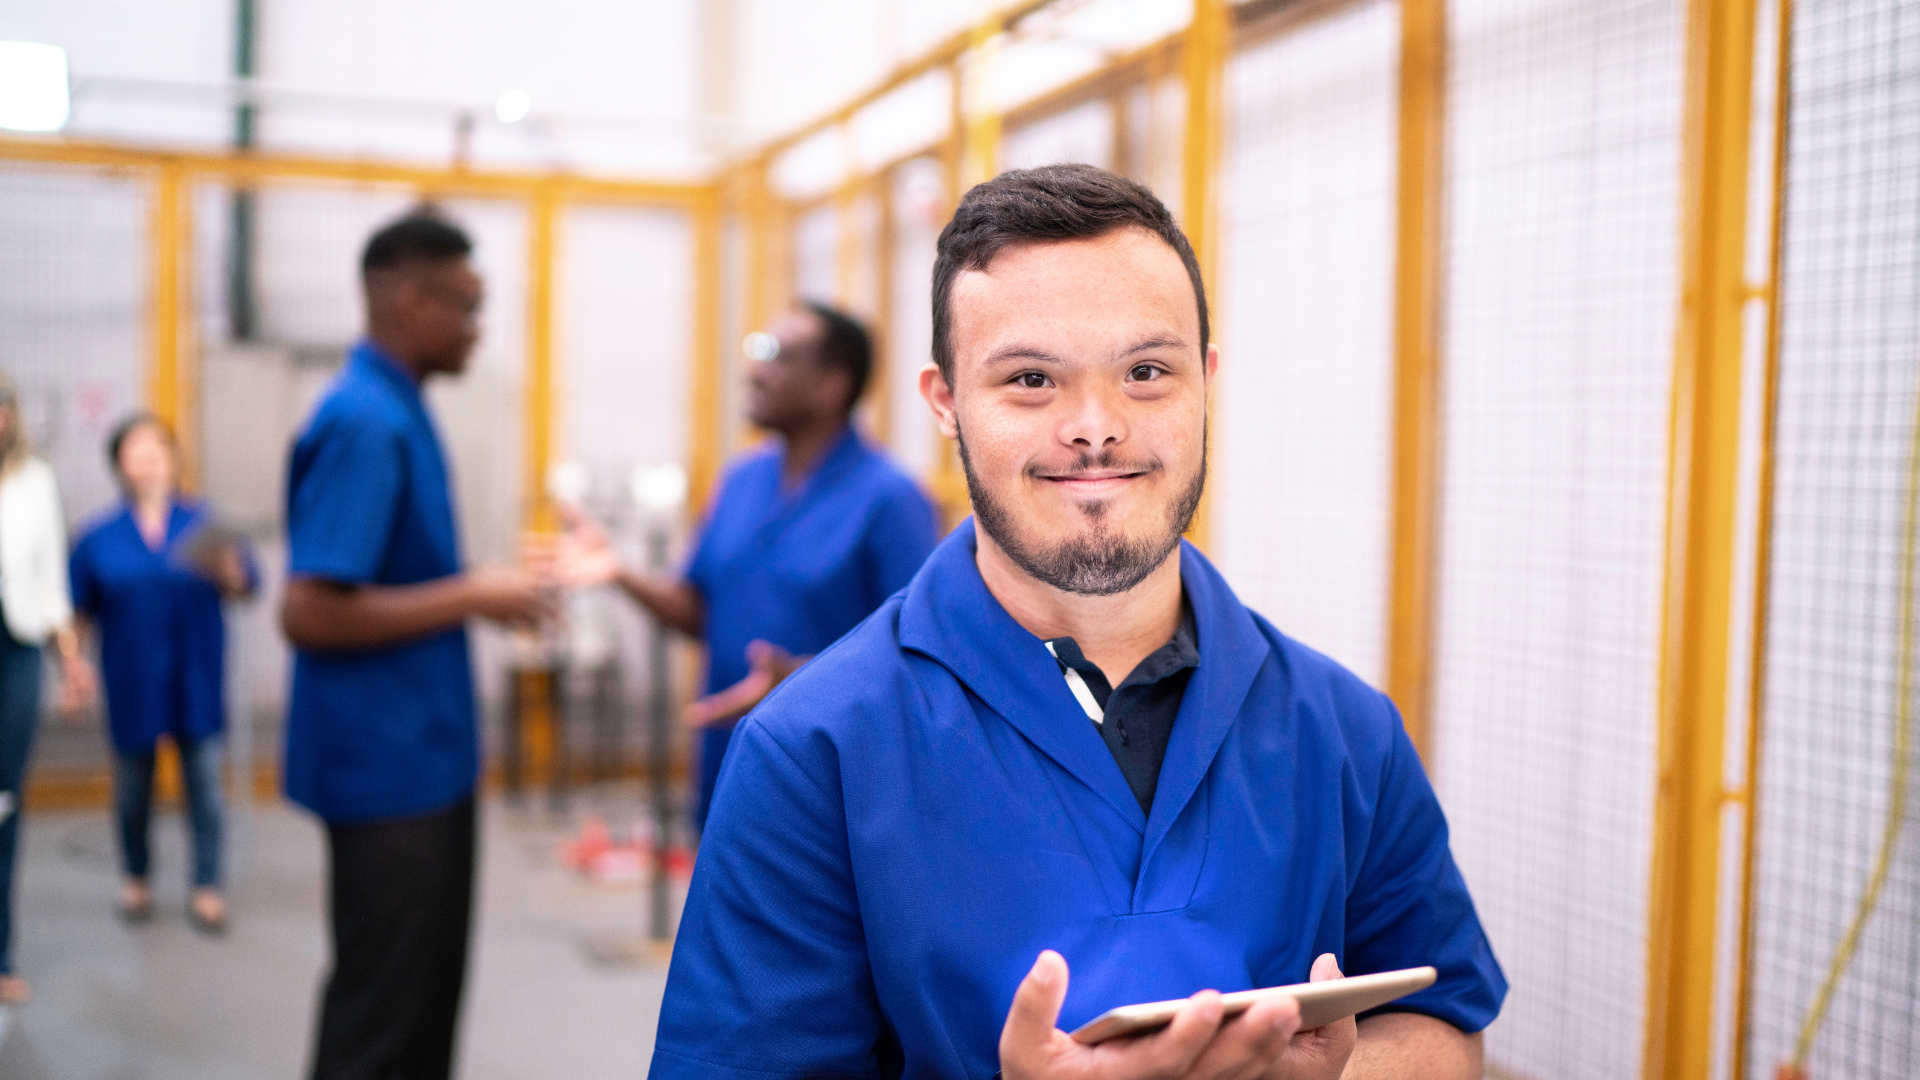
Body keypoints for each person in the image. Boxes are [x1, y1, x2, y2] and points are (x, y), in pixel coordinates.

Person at [650, 165, 1507, 1080]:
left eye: (1146, 371)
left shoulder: (1345, 730)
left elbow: (1440, 1018)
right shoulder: (814, 752)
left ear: (1206, 382)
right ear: (944, 403)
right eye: (1030, 379)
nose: (1095, 428)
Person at [280, 213, 550, 1080]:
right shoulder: (365, 421)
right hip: (387, 772)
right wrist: (472, 593)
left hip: (414, 762)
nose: (477, 327)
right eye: (466, 308)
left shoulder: (397, 406)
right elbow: (310, 610)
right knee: (386, 1021)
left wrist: (479, 589)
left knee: (417, 1006)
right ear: (410, 300)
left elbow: (386, 571)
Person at [560, 301, 937, 831]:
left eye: (775, 355)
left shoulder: (890, 500)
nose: (753, 370)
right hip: (728, 763)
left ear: (830, 384)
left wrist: (803, 678)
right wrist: (620, 573)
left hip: (827, 778)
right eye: (756, 350)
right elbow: (697, 611)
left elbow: (924, 661)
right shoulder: (742, 481)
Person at [70, 413, 255, 935]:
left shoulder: (206, 524)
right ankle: (136, 879)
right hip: (132, 680)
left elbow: (245, 588)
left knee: (204, 786)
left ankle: (206, 887)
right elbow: (77, 610)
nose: (148, 458)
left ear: (175, 458)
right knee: (132, 789)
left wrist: (227, 568)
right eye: (136, 449)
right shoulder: (99, 536)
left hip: (196, 676)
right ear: (119, 465)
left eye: (158, 447)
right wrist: (73, 664)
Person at [0, 373, 96, 1005]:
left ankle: (0, 951)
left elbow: (53, 577)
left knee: (4, 801)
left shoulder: (35, 479)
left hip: (16, 647)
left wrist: (71, 658)